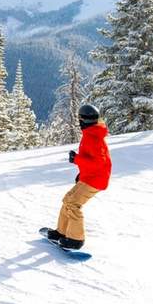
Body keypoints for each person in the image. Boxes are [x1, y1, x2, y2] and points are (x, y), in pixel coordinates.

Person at [46, 104, 111, 250]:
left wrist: (76, 159)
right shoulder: (91, 134)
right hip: (90, 177)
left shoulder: (94, 138)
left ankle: (76, 240)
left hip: (96, 180)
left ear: (83, 120)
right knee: (67, 199)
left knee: (73, 204)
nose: (79, 121)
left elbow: (99, 163)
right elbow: (93, 160)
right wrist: (81, 173)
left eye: (80, 119)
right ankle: (61, 232)